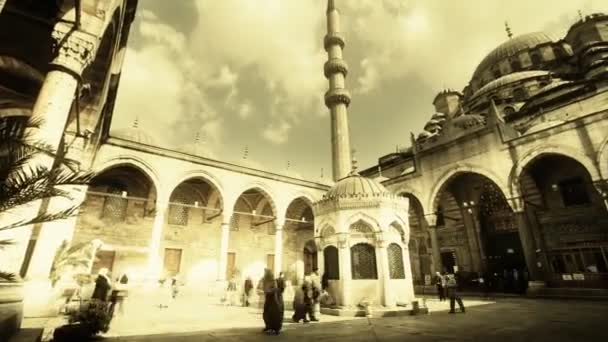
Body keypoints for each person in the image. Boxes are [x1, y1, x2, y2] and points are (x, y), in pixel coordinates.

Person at [261, 269, 284, 335]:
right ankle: (268, 326)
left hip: (273, 298)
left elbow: (275, 289)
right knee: (266, 313)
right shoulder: (265, 280)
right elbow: (263, 288)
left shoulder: (273, 281)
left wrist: (270, 291)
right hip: (268, 298)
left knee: (274, 314)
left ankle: (276, 329)